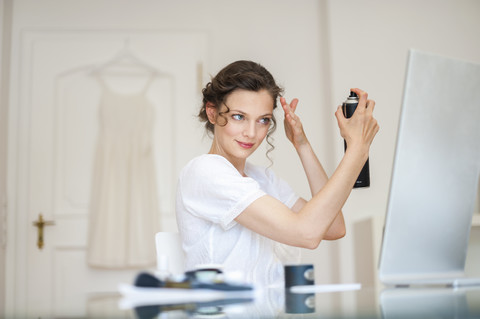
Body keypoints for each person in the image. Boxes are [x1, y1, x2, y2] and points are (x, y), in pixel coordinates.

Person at [175, 60, 379, 287]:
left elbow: (333, 227)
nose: (251, 133)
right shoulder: (205, 172)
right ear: (212, 113)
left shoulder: (262, 179)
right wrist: (358, 149)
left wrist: (302, 145)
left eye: (263, 120)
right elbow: (307, 234)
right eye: (239, 117)